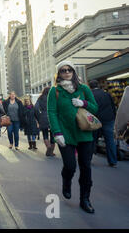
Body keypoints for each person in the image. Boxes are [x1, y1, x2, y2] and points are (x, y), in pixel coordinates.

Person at [47, 61, 99, 214]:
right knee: (70, 166)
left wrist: (83, 103)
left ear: (74, 72)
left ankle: (85, 199)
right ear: (59, 74)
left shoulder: (83, 89)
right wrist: (57, 132)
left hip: (84, 134)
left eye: (70, 70)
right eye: (63, 70)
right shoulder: (55, 91)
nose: (67, 72)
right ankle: (66, 181)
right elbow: (52, 112)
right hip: (65, 134)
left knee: (86, 167)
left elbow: (95, 107)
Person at [89, 80, 117, 167]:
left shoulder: (90, 95)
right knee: (110, 140)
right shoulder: (106, 94)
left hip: (95, 120)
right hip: (108, 120)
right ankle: (112, 161)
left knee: (92, 140)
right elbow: (113, 106)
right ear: (98, 85)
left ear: (90, 87)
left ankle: (88, 160)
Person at [35, 87, 56, 157]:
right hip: (52, 117)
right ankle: (51, 152)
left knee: (45, 134)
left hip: (43, 117)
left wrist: (39, 117)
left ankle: (48, 147)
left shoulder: (40, 98)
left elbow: (36, 108)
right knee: (53, 135)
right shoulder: (52, 97)